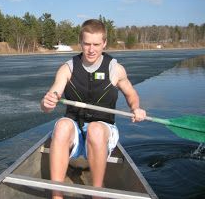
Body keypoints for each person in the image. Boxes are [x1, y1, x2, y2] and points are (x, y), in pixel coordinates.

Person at [40, 19, 146, 199]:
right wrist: (47, 102)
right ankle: (56, 194)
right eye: (87, 43)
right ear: (80, 42)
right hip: (75, 133)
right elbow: (50, 99)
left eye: (96, 44)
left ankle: (97, 193)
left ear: (104, 43)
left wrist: (136, 108)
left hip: (102, 131)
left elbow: (131, 95)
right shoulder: (67, 68)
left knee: (96, 130)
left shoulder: (115, 69)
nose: (91, 49)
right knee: (62, 125)